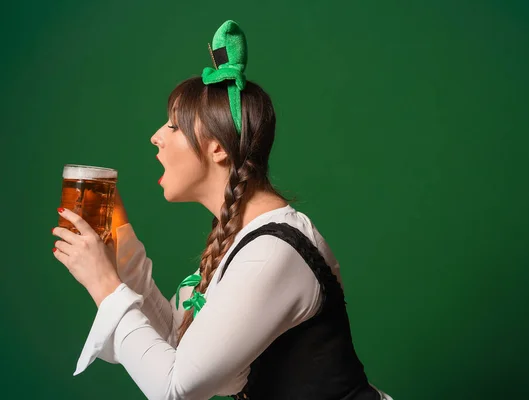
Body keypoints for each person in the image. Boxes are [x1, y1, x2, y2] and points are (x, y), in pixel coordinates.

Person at [51, 20, 393, 400]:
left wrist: (104, 283)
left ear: (217, 148)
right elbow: (172, 340)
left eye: (173, 127)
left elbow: (173, 387)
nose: (156, 137)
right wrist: (121, 240)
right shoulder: (242, 238)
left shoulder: (272, 253)